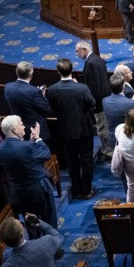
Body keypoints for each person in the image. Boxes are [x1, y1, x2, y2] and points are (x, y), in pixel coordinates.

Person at [45, 58, 96, 200]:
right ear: (72, 71)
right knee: (86, 160)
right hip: (84, 129)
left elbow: (52, 108)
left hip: (65, 130)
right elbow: (92, 104)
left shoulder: (52, 89)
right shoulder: (82, 88)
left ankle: (77, 190)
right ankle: (87, 190)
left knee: (72, 160)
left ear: (58, 72)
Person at [0, 115, 58, 227]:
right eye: (21, 124)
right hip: (39, 190)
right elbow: (46, 154)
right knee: (49, 219)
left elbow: (22, 156)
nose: (24, 127)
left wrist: (30, 142)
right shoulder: (27, 146)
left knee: (30, 222)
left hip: (20, 193)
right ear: (14, 130)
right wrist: (38, 139)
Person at [74, 41, 112, 161]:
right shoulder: (97, 58)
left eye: (78, 51)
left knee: (102, 128)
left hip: (99, 102)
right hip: (105, 98)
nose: (77, 54)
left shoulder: (90, 63)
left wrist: (93, 104)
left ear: (84, 49)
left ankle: (107, 152)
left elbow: (94, 87)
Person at [4, 61, 51, 140]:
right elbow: (47, 109)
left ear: (17, 72)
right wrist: (43, 96)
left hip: (17, 128)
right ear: (31, 75)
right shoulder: (34, 91)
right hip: (34, 131)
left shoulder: (8, 87)